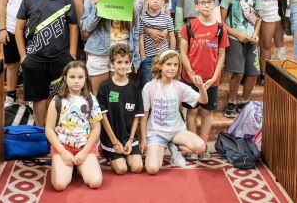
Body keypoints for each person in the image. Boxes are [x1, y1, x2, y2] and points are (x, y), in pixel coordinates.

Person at [15, 0, 79, 127]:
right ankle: (41, 131)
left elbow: (73, 27)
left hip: (60, 58)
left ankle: (53, 133)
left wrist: (71, 54)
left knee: (56, 97)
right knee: (39, 98)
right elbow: (19, 29)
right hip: (35, 59)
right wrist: (23, 56)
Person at [180, 0, 228, 160]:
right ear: (196, 6)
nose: (206, 6)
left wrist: (215, 76)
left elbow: (222, 54)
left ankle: (204, 145)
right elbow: (183, 53)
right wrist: (191, 74)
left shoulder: (220, 28)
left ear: (214, 5)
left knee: (207, 113)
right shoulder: (189, 26)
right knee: (192, 112)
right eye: (202, 2)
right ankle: (193, 145)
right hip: (190, 78)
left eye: (209, 2)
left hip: (211, 80)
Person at [141, 50, 207, 174]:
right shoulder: (149, 87)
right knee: (152, 169)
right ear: (160, 65)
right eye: (168, 64)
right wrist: (144, 139)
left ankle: (175, 145)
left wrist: (201, 87)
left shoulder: (179, 86)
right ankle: (164, 146)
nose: (172, 68)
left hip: (176, 131)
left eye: (175, 65)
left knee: (200, 147)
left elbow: (203, 100)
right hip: (157, 133)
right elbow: (144, 115)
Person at [79, 0, 140, 95]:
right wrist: (97, 9)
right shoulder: (94, 0)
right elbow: (86, 28)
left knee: (117, 95)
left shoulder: (130, 2)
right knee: (97, 94)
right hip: (99, 50)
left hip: (122, 51)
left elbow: (135, 32)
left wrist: (136, 58)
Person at [45, 61, 103, 191]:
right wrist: (63, 152)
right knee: (59, 185)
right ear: (65, 78)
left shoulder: (91, 100)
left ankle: (79, 165)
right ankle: (63, 165)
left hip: (84, 147)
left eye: (80, 77)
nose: (76, 81)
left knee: (95, 182)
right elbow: (49, 129)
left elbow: (96, 128)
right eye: (72, 77)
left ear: (85, 79)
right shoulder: (57, 100)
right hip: (63, 147)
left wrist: (85, 152)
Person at [0, 0, 39, 105]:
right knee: (12, 64)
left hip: (34, 31)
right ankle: (11, 94)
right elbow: (2, 4)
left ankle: (31, 95)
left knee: (32, 65)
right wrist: (2, 29)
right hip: (11, 29)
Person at [220, 0, 261, 118]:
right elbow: (222, 22)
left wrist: (256, 33)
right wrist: (237, 34)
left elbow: (258, 18)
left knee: (252, 74)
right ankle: (231, 101)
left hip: (251, 39)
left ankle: (244, 101)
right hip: (235, 39)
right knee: (237, 73)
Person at [97, 44, 144, 175]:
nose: (123, 66)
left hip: (129, 137)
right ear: (112, 63)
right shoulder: (105, 87)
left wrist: (130, 140)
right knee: (121, 169)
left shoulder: (135, 88)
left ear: (130, 63)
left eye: (126, 62)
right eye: (119, 62)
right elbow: (103, 117)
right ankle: (105, 149)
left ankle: (127, 150)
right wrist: (115, 142)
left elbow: (137, 117)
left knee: (137, 167)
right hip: (111, 138)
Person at [139, 0, 176, 89]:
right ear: (147, 0)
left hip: (163, 57)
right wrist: (143, 57)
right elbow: (141, 39)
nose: (155, 0)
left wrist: (171, 55)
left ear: (163, 1)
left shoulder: (167, 19)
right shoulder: (142, 18)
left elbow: (172, 38)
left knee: (163, 84)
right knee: (147, 84)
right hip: (148, 58)